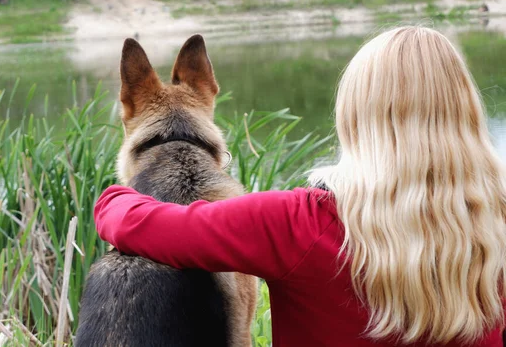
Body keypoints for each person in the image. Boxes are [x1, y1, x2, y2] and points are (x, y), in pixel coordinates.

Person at [93, 26, 506, 346]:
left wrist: (114, 196)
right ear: (466, 114)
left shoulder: (298, 222)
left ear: (353, 119)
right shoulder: (497, 221)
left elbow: (133, 223)